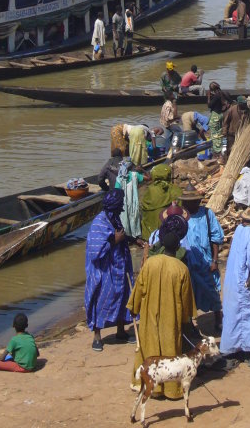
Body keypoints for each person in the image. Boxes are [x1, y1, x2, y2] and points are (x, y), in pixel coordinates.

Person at [128, 217, 197, 400]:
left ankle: (151, 388)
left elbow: (138, 289)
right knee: (169, 352)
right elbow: (186, 300)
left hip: (149, 316)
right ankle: (171, 390)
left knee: (149, 349)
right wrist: (184, 320)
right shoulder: (181, 269)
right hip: (170, 317)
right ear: (178, 248)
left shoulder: (150, 264)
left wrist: (133, 308)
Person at [84, 190, 134, 351]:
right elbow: (94, 251)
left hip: (120, 267)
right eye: (120, 204)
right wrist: (114, 241)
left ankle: (121, 331)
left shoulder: (115, 219)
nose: (122, 207)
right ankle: (97, 336)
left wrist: (133, 240)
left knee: (123, 297)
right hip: (105, 272)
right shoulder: (99, 222)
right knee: (101, 299)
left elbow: (121, 235)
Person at [220, 203, 250, 360]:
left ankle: (235, 347)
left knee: (234, 313)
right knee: (249, 313)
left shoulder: (240, 229)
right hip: (245, 280)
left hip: (234, 277)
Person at [181, 184, 224, 331]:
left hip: (206, 260)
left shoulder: (207, 214)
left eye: (193, 201)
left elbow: (216, 237)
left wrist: (215, 260)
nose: (190, 205)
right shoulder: (180, 217)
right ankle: (189, 323)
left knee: (212, 289)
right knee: (188, 292)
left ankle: (218, 317)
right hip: (187, 261)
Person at [140, 164, 182, 240]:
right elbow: (181, 210)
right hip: (171, 234)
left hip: (149, 234)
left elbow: (144, 210)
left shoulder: (149, 190)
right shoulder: (175, 190)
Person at [207, 81, 230, 156]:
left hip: (215, 115)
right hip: (220, 114)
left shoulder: (216, 96)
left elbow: (209, 105)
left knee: (214, 132)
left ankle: (217, 151)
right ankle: (219, 148)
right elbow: (229, 101)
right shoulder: (222, 94)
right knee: (219, 131)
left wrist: (208, 96)